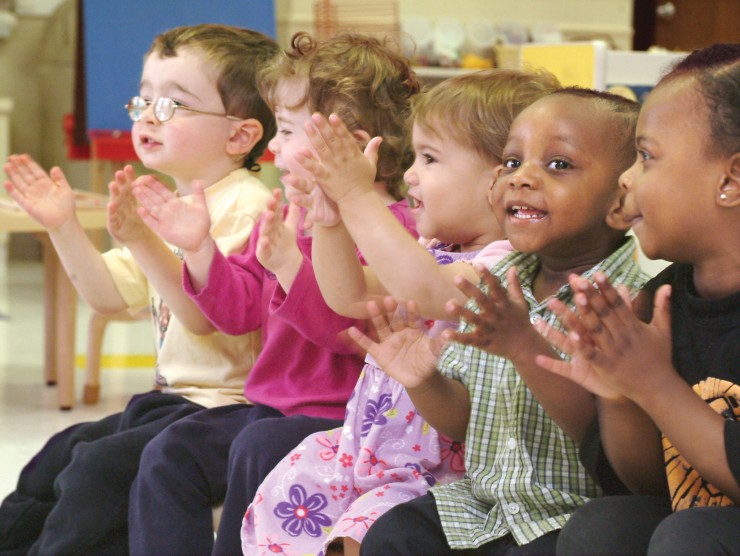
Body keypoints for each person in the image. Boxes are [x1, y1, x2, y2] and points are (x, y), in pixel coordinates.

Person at [240, 68, 562, 556]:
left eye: (429, 159)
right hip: (367, 450)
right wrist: (331, 223)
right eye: (414, 156)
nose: (410, 173)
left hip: (432, 473)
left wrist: (355, 195)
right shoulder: (432, 246)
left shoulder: (505, 262)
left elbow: (432, 293)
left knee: (355, 540)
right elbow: (350, 298)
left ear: (501, 177)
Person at [127, 32, 421, 556]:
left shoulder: (393, 230)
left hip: (340, 420)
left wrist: (289, 264)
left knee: (256, 446)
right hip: (270, 409)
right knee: (170, 449)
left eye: (285, 130)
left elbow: (348, 328)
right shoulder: (290, 214)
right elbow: (237, 312)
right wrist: (199, 250)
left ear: (349, 146)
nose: (275, 146)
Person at [0, 24, 279, 556]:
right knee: (63, 452)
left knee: (97, 471)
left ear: (239, 136)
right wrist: (62, 226)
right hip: (175, 399)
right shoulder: (171, 206)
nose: (148, 117)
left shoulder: (248, 206)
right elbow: (107, 297)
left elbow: (208, 316)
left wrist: (143, 240)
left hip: (229, 409)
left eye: (173, 105)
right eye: (144, 100)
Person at [348, 87, 652, 554]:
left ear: (621, 200)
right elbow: (465, 419)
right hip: (485, 508)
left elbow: (612, 446)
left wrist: (523, 344)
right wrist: (424, 382)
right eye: (512, 163)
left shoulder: (629, 300)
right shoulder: (497, 280)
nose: (521, 178)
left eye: (558, 165)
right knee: (392, 535)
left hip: (568, 517)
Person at [531, 43, 740, 556]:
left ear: (731, 180)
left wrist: (653, 383)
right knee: (603, 525)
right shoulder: (658, 298)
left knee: (691, 536)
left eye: (646, 157)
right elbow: (646, 484)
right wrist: (622, 393)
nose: (627, 178)